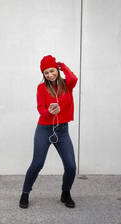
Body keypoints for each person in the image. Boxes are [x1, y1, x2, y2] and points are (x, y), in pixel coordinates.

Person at [19, 55, 78, 209]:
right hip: (44, 129)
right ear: (43, 75)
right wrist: (50, 112)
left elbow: (74, 78)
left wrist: (62, 66)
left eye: (52, 71)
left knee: (71, 166)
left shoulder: (67, 85)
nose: (50, 75)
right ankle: (25, 193)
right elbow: (40, 108)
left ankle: (65, 193)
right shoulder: (41, 88)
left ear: (57, 70)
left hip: (62, 130)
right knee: (37, 163)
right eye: (46, 73)